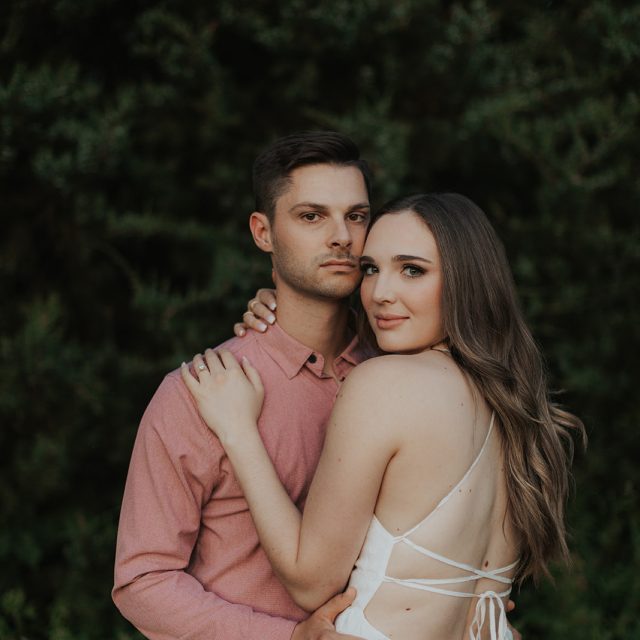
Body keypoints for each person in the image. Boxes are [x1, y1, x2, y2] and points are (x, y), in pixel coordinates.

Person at [182, 193, 585, 640]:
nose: (380, 293)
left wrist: (238, 431)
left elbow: (311, 581)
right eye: (371, 269)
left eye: (412, 270)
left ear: (466, 281)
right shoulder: (513, 404)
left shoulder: (384, 385)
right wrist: (285, 312)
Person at [113, 131, 375, 639]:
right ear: (263, 232)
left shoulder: (397, 376)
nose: (342, 236)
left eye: (357, 216)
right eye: (312, 216)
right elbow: (143, 580)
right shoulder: (199, 392)